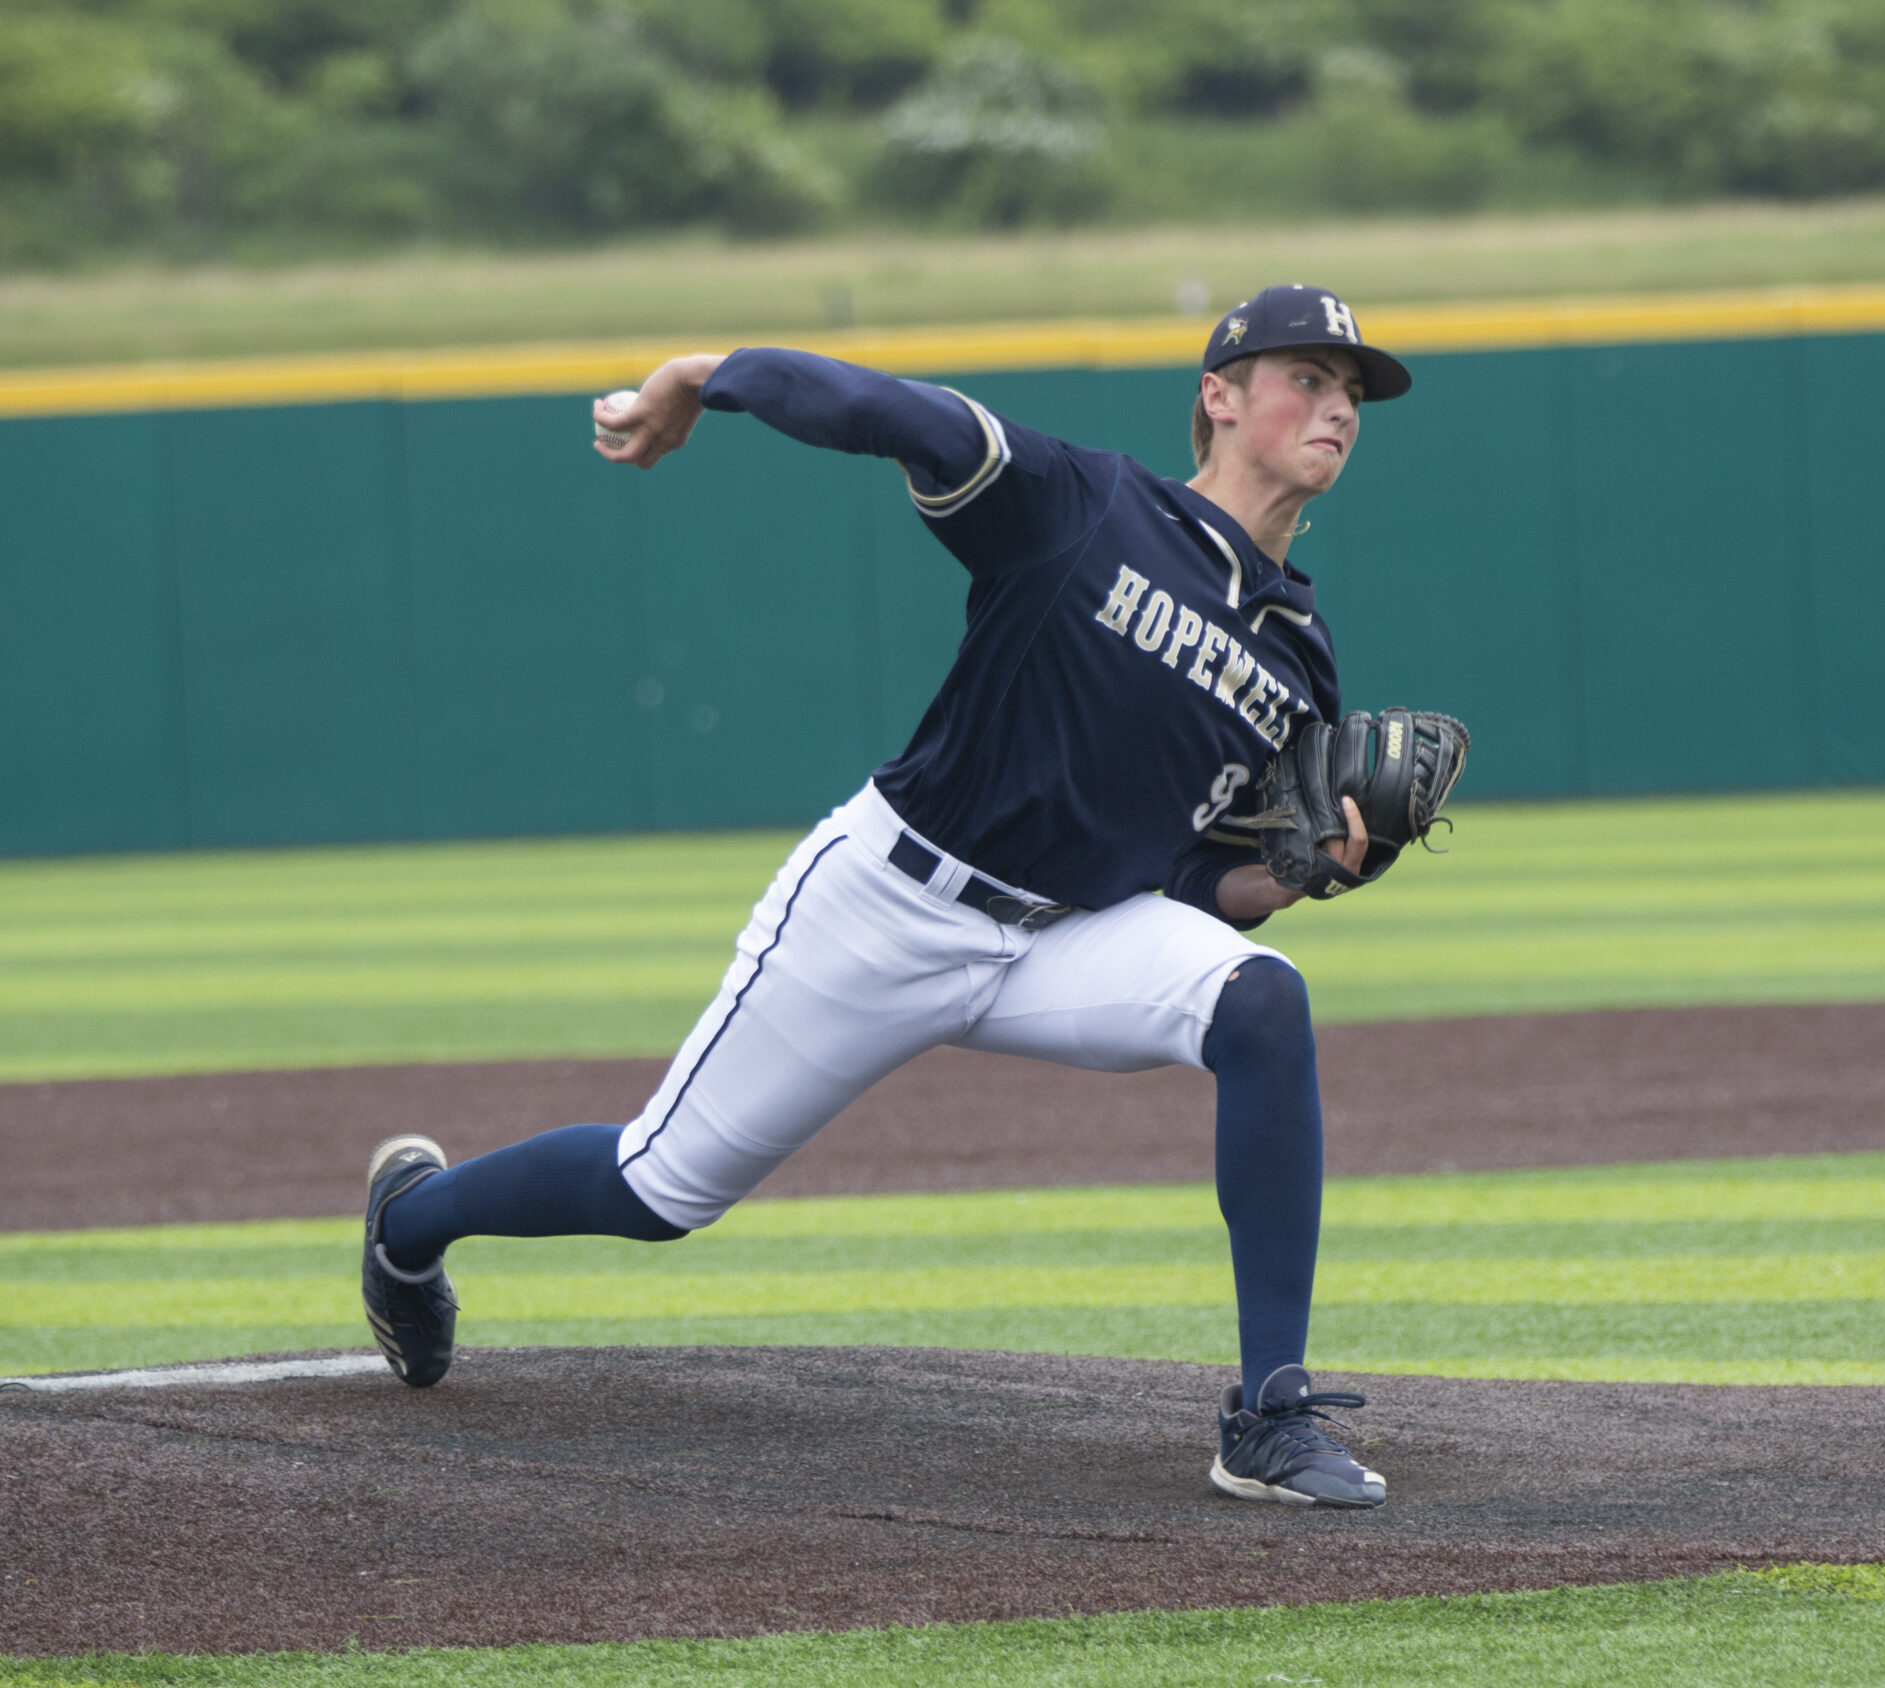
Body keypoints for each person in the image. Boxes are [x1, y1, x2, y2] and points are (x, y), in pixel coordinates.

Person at [360, 286, 1418, 1508]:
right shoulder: (1086, 504)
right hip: (888, 904)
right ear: (1219, 396)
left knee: (1261, 1003)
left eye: (1352, 391)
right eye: (1307, 375)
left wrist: (1295, 875)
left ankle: (1269, 1414)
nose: (1336, 403)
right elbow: (890, 413)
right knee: (658, 1188)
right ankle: (411, 1219)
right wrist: (705, 373)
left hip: (1062, 938)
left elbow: (1184, 875)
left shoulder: (1300, 655)